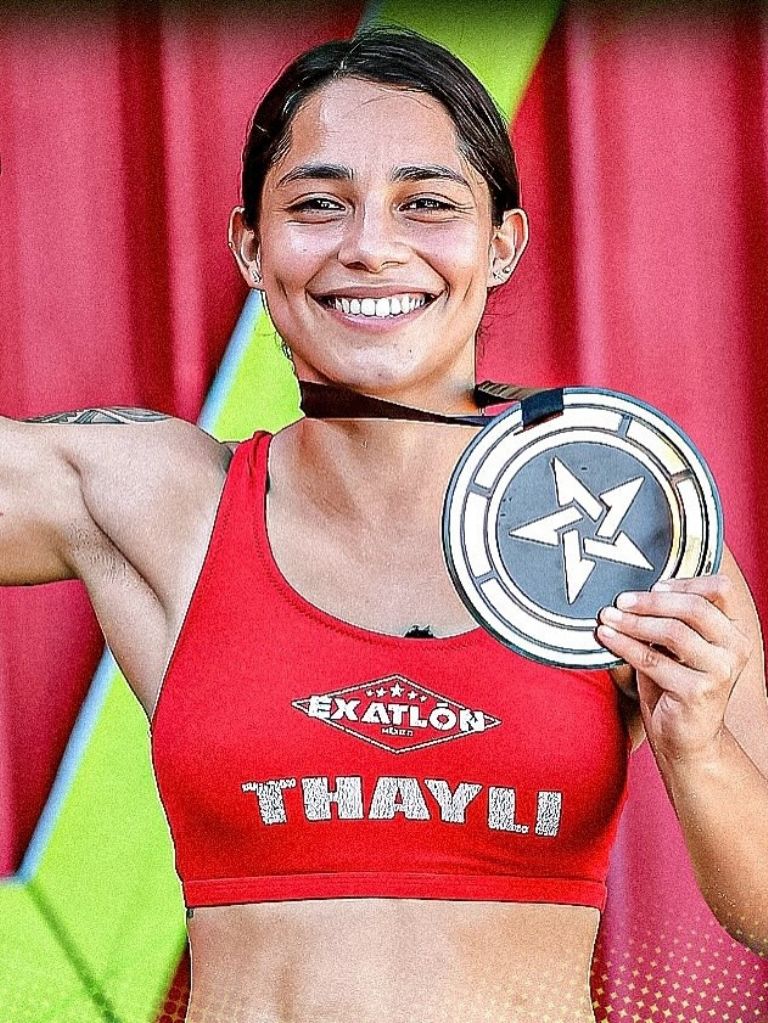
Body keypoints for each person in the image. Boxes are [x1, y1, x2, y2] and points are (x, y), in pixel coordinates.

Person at [3, 28, 767, 1023]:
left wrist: (699, 748)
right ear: (252, 245)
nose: (369, 244)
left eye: (427, 203)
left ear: (501, 244)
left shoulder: (635, 531)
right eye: (318, 204)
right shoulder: (159, 503)